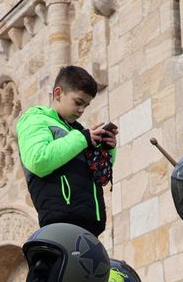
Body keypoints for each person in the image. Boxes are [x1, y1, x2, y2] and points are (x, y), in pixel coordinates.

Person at [17, 65, 117, 237]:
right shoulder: (35, 120)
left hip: (90, 227)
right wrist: (82, 139)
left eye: (86, 105)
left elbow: (99, 175)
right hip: (60, 225)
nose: (81, 110)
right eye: (78, 102)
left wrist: (107, 149)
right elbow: (38, 160)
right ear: (58, 94)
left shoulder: (78, 133)